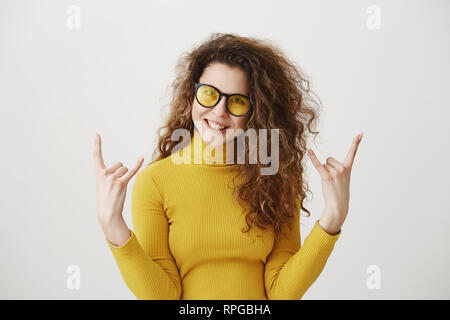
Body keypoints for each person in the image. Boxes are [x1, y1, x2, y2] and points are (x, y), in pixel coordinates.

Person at [93, 33, 363, 300]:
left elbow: (281, 294)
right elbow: (163, 297)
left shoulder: (274, 176)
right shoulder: (155, 182)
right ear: (192, 95)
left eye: (236, 101)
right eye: (209, 94)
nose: (220, 111)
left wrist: (332, 218)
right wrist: (113, 225)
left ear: (254, 113)